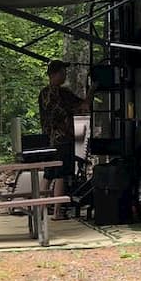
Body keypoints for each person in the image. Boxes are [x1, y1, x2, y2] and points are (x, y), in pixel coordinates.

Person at [37, 59, 89, 215]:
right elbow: (81, 106)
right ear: (54, 74)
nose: (64, 75)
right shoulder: (56, 94)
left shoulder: (50, 93)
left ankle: (42, 209)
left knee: (49, 174)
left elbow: (81, 105)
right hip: (61, 140)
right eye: (62, 72)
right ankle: (57, 211)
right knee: (60, 175)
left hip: (51, 140)